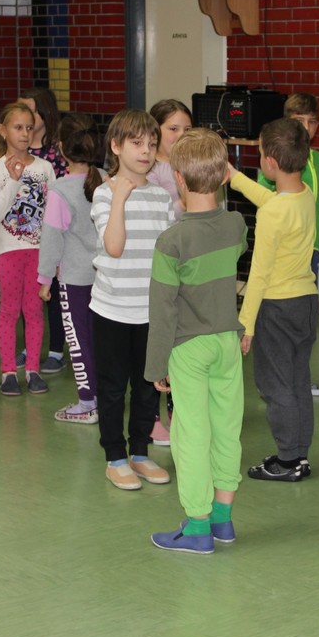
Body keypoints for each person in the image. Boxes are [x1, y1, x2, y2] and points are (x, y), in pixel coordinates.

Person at [146, 128, 248, 554]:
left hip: (189, 349)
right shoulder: (236, 225)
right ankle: (223, 519)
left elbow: (162, 311)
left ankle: (198, 527)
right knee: (227, 430)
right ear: (225, 175)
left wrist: (156, 366)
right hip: (228, 344)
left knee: (191, 435)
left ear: (178, 179)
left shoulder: (171, 242)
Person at [229, 117, 319, 482]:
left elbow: (259, 274)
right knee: (297, 382)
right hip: (305, 303)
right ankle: (298, 454)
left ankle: (285, 461)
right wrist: (235, 177)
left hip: (276, 308)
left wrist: (246, 324)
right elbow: (273, 201)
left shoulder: (272, 214)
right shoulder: (304, 195)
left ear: (269, 162)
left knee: (275, 386)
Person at [90, 109, 174, 491]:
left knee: (147, 386)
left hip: (151, 311)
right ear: (116, 146)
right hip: (112, 309)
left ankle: (140, 452)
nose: (145, 151)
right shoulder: (104, 193)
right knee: (112, 389)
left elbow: (169, 256)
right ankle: (115, 457)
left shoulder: (161, 197)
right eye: (136, 143)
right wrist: (120, 198)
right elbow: (114, 246)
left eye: (151, 144)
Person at [258, 93, 319, 397]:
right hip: (282, 251)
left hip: (308, 250)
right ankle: (278, 378)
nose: (307, 128)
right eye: (300, 121)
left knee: (304, 318)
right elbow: (265, 199)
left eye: (313, 122)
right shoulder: (271, 163)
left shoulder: (317, 160)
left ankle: (300, 376)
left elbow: (314, 200)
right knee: (278, 317)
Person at [37, 113, 105, 424]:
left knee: (79, 341)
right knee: (102, 340)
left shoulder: (60, 190)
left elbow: (51, 238)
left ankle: (87, 403)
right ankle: (104, 396)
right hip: (106, 277)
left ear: (62, 148)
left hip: (76, 280)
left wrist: (44, 278)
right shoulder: (107, 180)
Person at [0, 102, 55, 396]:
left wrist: (55, 253)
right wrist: (14, 180)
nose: (25, 133)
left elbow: (53, 212)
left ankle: (33, 370)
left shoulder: (44, 168)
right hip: (9, 250)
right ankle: (8, 372)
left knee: (34, 310)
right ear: (3, 131)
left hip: (38, 250)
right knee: (9, 310)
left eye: (29, 127)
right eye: (18, 127)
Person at [146, 97, 195, 446]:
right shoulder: (148, 169)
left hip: (185, 264)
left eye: (187, 129)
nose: (180, 135)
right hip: (157, 263)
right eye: (173, 128)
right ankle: (150, 416)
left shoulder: (192, 165)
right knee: (156, 340)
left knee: (181, 340)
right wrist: (183, 202)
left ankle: (178, 410)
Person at [21, 87, 69, 376]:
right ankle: (31, 347)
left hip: (53, 232)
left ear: (45, 113)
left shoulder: (56, 152)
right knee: (29, 292)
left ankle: (55, 350)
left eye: (30, 111)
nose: (25, 117)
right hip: (25, 233)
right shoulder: (20, 150)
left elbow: (63, 191)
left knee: (52, 292)